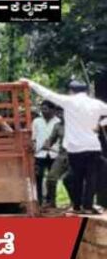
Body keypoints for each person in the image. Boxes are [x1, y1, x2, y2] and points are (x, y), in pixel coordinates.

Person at [20, 78, 107, 214]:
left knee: (77, 177)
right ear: (85, 91)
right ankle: (88, 207)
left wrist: (29, 83)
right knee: (91, 178)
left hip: (75, 148)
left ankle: (77, 206)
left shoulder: (68, 101)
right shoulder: (96, 103)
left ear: (71, 91)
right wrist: (100, 124)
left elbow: (46, 93)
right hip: (93, 146)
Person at [32, 100, 61, 207]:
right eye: (42, 109)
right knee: (38, 177)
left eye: (46, 109)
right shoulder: (36, 121)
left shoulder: (58, 122)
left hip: (54, 154)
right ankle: (39, 202)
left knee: (52, 179)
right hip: (39, 154)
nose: (43, 111)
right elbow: (33, 138)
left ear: (52, 110)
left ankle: (51, 201)